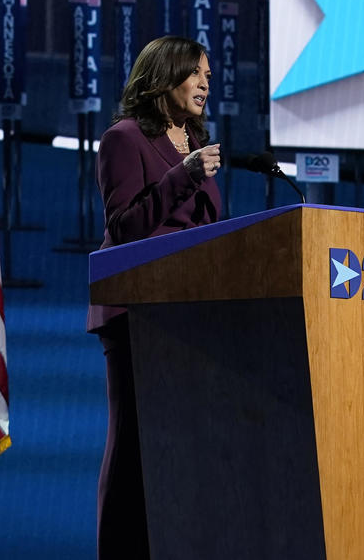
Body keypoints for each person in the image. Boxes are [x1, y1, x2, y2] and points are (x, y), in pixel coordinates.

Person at [86, 35, 221, 559]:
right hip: (137, 312)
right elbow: (125, 227)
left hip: (192, 312)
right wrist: (183, 176)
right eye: (196, 73)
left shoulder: (196, 141)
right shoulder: (124, 139)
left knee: (179, 447)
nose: (207, 83)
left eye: (210, 74)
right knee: (133, 445)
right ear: (164, 76)